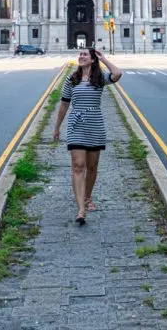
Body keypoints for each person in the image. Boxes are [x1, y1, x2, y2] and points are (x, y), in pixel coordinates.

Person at [52, 47, 122, 225]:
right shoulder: (72, 79)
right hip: (76, 125)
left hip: (95, 125)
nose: (81, 56)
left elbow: (117, 73)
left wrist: (104, 59)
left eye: (85, 54)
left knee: (92, 167)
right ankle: (80, 210)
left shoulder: (99, 79)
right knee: (78, 165)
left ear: (92, 59)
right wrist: (57, 127)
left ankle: (87, 197)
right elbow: (64, 105)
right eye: (80, 54)